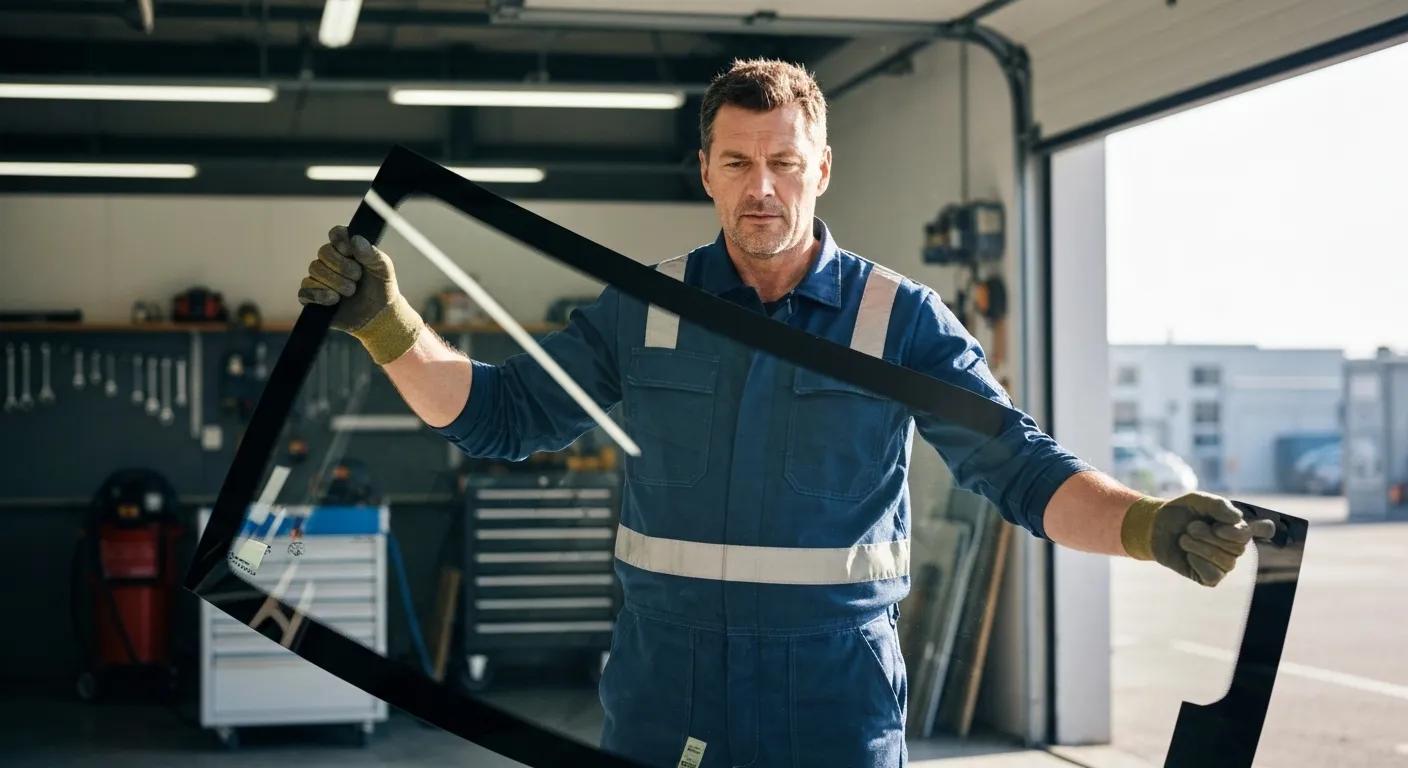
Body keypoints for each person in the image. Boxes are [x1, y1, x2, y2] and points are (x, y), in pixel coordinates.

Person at [298, 58, 1273, 768]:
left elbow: (1016, 467)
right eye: (736, 162)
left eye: (783, 162)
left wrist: (1146, 525)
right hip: (666, 701)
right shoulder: (646, 309)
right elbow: (500, 416)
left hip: (832, 709)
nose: (761, 188)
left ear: (821, 168)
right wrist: (388, 325)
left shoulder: (898, 321)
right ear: (706, 170)